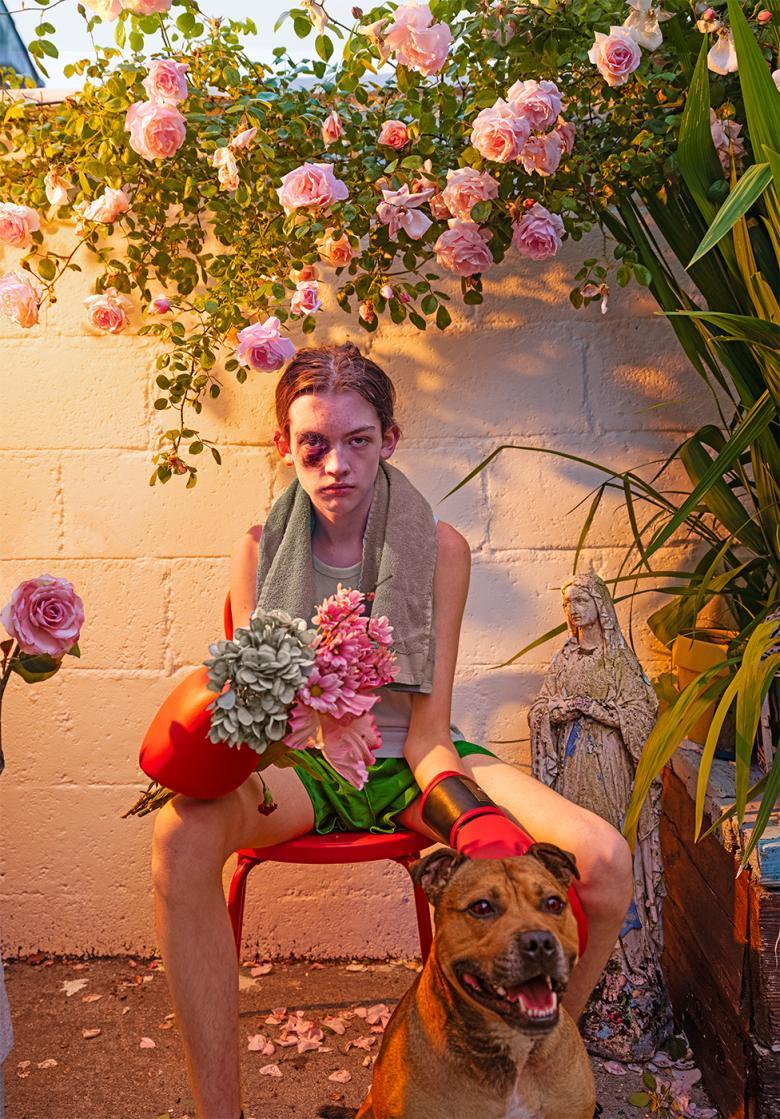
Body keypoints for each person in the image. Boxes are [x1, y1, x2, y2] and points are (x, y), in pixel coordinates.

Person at [151, 342, 633, 1119]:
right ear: (283, 445)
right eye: (314, 443)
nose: (335, 464)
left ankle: (536, 1069)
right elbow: (257, 722)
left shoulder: (440, 549)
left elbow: (429, 732)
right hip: (304, 766)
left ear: (390, 439)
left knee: (605, 861)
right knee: (179, 835)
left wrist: (473, 824)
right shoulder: (259, 549)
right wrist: (314, 722)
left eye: (357, 440)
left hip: (416, 757)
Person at [529, 572, 672, 1060]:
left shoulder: (619, 661)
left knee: (610, 852)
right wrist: (554, 711)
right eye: (567, 603)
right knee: (575, 856)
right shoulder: (565, 658)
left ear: (600, 606)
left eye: (581, 601)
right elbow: (541, 707)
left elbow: (641, 713)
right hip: (572, 769)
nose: (573, 610)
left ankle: (625, 970)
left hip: (609, 768)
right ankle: (578, 970)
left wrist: (595, 709)